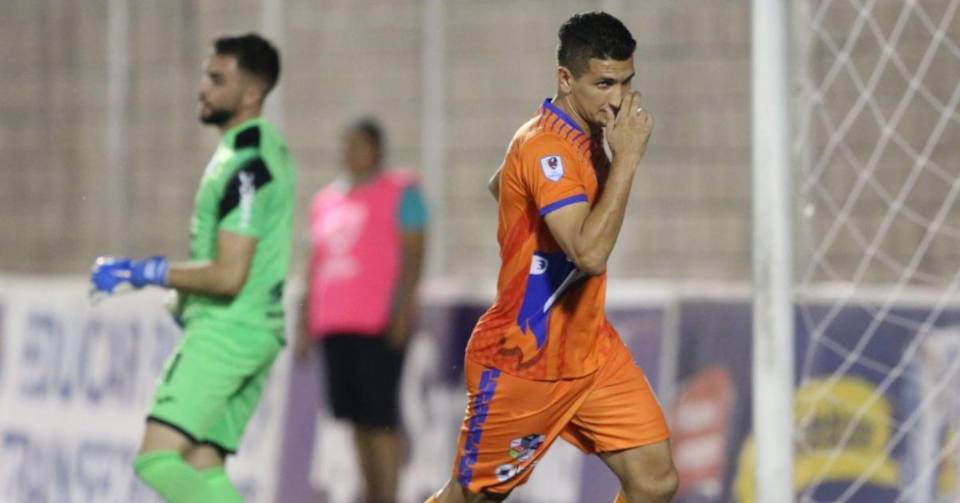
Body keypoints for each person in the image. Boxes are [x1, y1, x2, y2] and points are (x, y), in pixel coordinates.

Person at [425, 12, 678, 503]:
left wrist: (526, 213)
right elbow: (589, 253)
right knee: (472, 499)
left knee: (655, 480)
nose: (618, 98)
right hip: (526, 357)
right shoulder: (547, 146)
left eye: (626, 82)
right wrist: (627, 159)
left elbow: (500, 184)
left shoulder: (577, 135)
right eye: (603, 84)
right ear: (566, 79)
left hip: (590, 351)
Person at [89, 33, 294, 503]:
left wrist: (144, 273)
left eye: (217, 79)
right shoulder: (260, 148)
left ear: (252, 94)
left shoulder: (247, 165)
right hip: (254, 330)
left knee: (156, 459)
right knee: (204, 466)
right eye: (206, 76)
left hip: (228, 332)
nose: (203, 88)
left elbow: (229, 275)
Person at [295, 118, 427, 503]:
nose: (350, 153)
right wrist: (305, 322)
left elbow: (414, 255)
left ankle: (389, 494)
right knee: (355, 419)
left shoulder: (402, 192)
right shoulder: (324, 202)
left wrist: (403, 311)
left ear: (377, 150)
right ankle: (372, 494)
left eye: (358, 145)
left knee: (381, 419)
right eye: (346, 145)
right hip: (335, 325)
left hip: (378, 324)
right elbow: (313, 266)